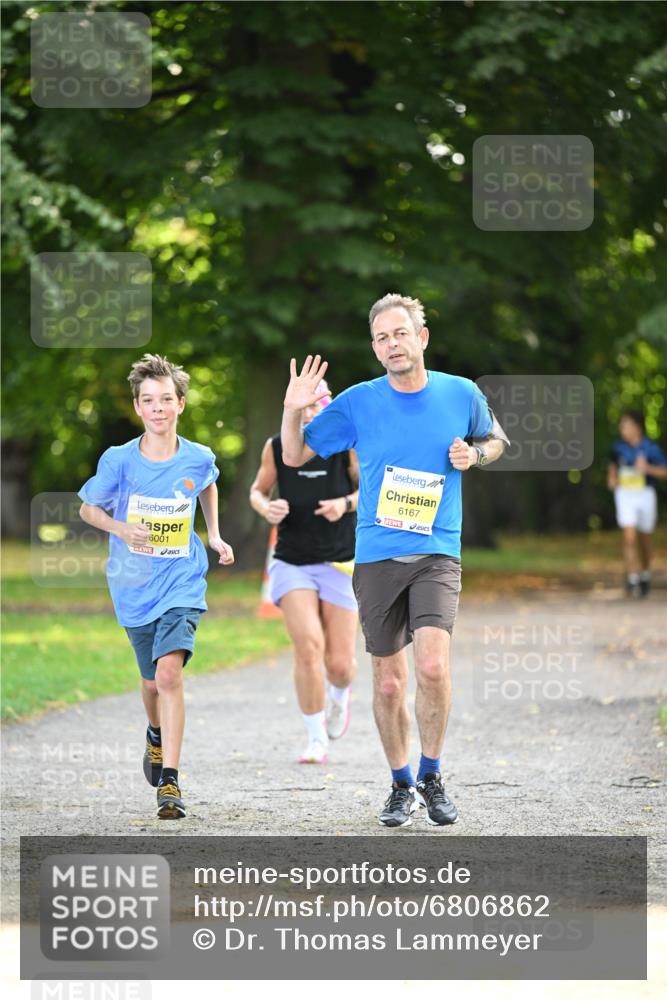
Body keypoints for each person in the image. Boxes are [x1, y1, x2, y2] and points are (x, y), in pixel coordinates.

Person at [281, 293, 509, 828]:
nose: (391, 344)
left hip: (436, 552)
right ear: (375, 347)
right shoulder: (360, 401)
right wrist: (292, 410)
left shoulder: (461, 393)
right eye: (381, 337)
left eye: (400, 333)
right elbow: (295, 455)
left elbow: (497, 440)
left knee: (432, 665)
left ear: (421, 338)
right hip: (378, 556)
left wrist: (474, 455)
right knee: (388, 682)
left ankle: (432, 775)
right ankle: (400, 783)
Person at [78, 353, 234, 820]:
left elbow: (207, 484)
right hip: (133, 586)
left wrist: (215, 533)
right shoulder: (120, 460)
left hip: (182, 580)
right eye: (149, 400)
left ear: (181, 404)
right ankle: (154, 732)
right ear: (138, 407)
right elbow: (88, 509)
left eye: (167, 399)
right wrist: (121, 529)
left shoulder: (199, 456)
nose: (159, 408)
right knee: (150, 682)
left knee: (169, 674)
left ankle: (170, 782)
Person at [250, 381, 359, 764]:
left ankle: (339, 697)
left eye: (317, 407)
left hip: (340, 562)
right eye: (304, 407)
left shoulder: (346, 444)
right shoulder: (277, 446)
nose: (310, 414)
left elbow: (374, 489)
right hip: (291, 561)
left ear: (329, 408)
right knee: (309, 647)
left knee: (341, 665)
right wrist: (267, 508)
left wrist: (345, 504)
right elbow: (257, 490)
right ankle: (316, 740)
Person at [607, 409, 666, 597]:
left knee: (645, 539)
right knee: (629, 535)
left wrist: (646, 468)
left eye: (626, 425)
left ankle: (645, 573)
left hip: (645, 494)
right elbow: (612, 472)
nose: (622, 429)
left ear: (637, 427)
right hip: (625, 495)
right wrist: (612, 480)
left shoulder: (651, 448)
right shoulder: (618, 448)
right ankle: (633, 578)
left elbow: (664, 472)